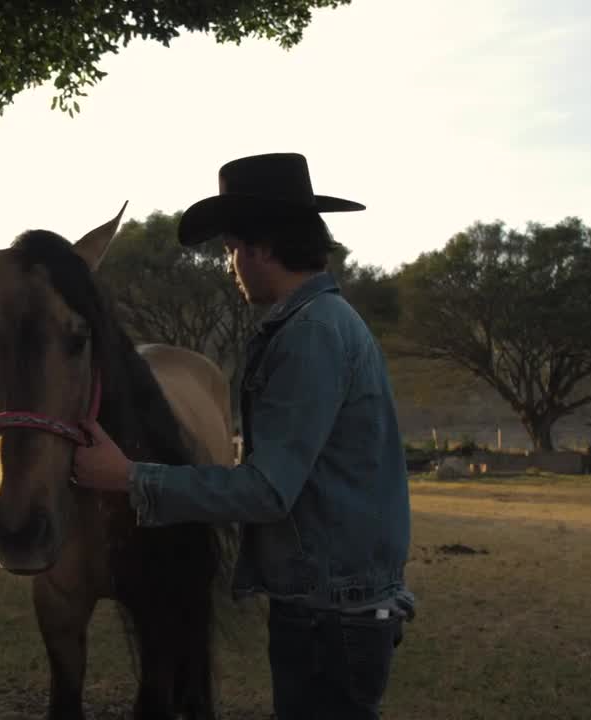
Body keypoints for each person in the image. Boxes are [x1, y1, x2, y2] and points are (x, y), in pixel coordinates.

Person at [71, 152, 415, 720]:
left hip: (329, 613)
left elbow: (266, 491)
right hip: (337, 600)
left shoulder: (309, 336)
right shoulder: (323, 323)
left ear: (262, 247)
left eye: (231, 249)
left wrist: (128, 477)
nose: (230, 265)